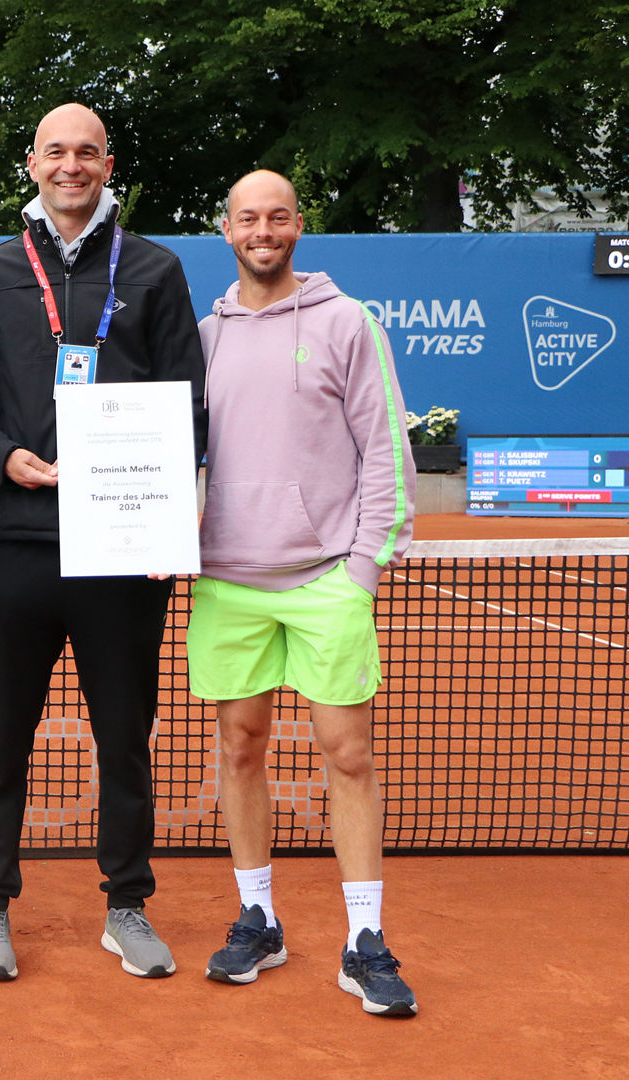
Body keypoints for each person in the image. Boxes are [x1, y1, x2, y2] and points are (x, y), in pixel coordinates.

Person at [0, 103, 206, 981]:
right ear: (32, 164)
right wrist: (1, 454)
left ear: (107, 165)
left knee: (125, 738)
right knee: (4, 739)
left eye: (86, 152)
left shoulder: (156, 269)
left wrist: (168, 510)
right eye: (56, 152)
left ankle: (125, 905)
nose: (71, 165)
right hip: (17, 549)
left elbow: (189, 404)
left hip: (123, 556)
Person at [189, 169, 417, 1016]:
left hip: (326, 581)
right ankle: (258, 918)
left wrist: (361, 571)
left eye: (276, 216)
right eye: (247, 216)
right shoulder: (205, 334)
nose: (262, 229)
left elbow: (387, 451)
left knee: (348, 754)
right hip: (228, 583)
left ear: (297, 226)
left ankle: (365, 941)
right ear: (226, 228)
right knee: (241, 747)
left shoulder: (347, 322)